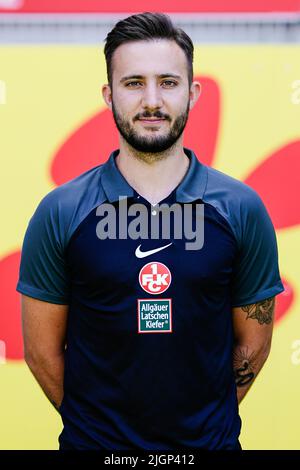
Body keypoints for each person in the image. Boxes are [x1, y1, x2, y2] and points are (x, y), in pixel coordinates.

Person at [17, 12, 284, 450]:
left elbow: (253, 344)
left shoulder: (241, 208)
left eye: (169, 82)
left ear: (193, 93)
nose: (152, 100)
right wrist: (101, 436)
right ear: (109, 94)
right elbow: (42, 354)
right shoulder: (61, 211)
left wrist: (201, 430)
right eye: (134, 83)